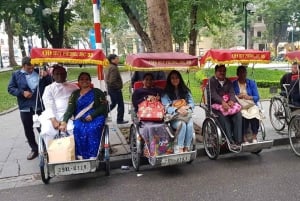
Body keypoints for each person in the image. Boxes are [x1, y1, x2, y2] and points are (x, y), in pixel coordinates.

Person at [7, 56, 52, 160]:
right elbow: (10, 88)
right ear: (23, 66)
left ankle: (46, 148)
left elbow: (51, 83)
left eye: (32, 67)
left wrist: (46, 76)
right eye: (29, 68)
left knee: (43, 128)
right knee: (28, 129)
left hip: (39, 106)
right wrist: (22, 92)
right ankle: (34, 149)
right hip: (25, 107)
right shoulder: (16, 75)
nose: (31, 70)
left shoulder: (39, 71)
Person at [59, 72, 108, 159]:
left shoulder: (97, 92)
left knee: (92, 129)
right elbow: (70, 109)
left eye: (86, 79)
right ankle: (81, 155)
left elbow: (104, 107)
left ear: (90, 81)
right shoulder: (75, 94)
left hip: (96, 116)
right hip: (80, 117)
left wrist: (92, 115)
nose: (84, 81)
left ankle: (93, 155)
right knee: (77, 128)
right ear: (78, 81)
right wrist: (64, 121)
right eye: (82, 79)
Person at [39, 64, 79, 147]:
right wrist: (54, 120)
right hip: (53, 116)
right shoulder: (49, 88)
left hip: (70, 115)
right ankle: (51, 153)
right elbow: (48, 105)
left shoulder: (74, 87)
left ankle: (73, 153)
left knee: (74, 129)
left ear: (66, 74)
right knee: (47, 130)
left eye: (62, 73)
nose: (60, 76)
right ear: (53, 75)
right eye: (57, 74)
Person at [208, 64, 243, 149]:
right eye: (220, 71)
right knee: (224, 118)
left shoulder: (228, 82)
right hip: (216, 106)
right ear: (215, 72)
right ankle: (230, 141)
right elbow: (213, 95)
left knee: (238, 115)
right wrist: (222, 102)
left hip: (228, 105)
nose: (222, 73)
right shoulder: (211, 81)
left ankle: (238, 141)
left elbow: (232, 93)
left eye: (224, 71)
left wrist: (231, 101)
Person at [161, 70, 195, 153]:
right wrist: (177, 110)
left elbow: (191, 102)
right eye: (172, 78)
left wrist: (187, 108)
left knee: (190, 125)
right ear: (169, 80)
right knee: (182, 125)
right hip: (174, 117)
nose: (175, 79)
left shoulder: (185, 90)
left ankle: (187, 148)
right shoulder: (165, 92)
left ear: (180, 79)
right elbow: (166, 107)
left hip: (186, 114)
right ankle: (180, 148)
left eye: (176, 78)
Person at [233, 65, 261, 143]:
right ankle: (244, 137)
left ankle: (254, 137)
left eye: (244, 72)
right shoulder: (234, 84)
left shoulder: (251, 83)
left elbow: (257, 97)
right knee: (243, 115)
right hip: (240, 105)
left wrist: (249, 97)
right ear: (237, 74)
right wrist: (238, 96)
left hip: (251, 104)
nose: (243, 75)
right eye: (240, 73)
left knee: (255, 112)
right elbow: (231, 96)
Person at [105, 54, 128, 124]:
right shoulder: (113, 68)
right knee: (120, 104)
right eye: (117, 59)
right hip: (115, 90)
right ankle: (120, 119)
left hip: (111, 89)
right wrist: (118, 87)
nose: (118, 60)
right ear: (112, 60)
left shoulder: (110, 66)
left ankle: (102, 113)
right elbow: (112, 81)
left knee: (113, 104)